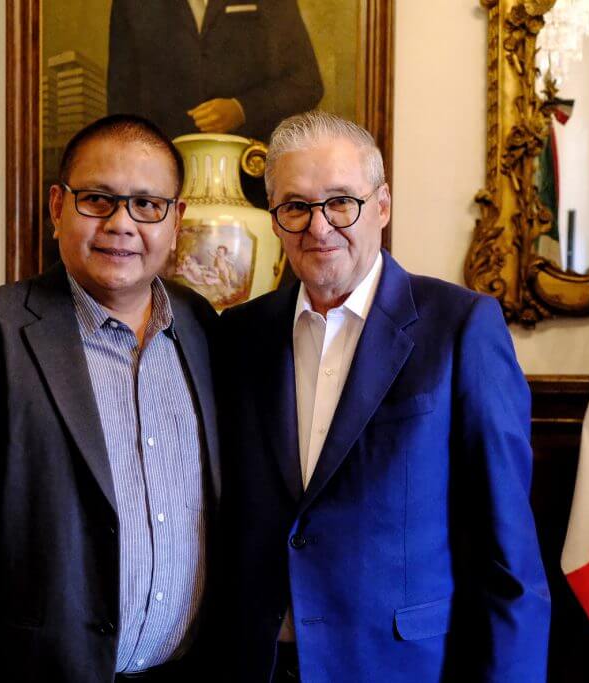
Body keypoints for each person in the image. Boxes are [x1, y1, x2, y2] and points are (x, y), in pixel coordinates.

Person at [217, 111, 551, 682]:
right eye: (295, 206)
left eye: (341, 202)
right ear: (274, 218)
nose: (319, 228)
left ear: (383, 206)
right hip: (263, 662)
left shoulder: (461, 327)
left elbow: (510, 558)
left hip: (402, 665)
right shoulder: (239, 334)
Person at [0, 114, 220, 682]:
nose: (121, 224)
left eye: (147, 205)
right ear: (57, 207)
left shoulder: (200, 326)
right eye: (97, 199)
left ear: (176, 221)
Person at [107, 0, 324, 142]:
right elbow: (121, 103)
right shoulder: (130, 4)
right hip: (163, 177)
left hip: (251, 173)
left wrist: (242, 109)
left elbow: (306, 83)